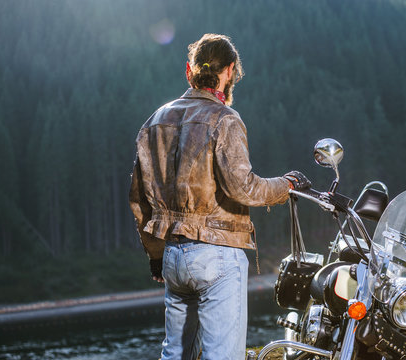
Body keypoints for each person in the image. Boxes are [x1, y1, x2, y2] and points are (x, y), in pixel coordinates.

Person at [129, 33, 310, 360]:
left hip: (172, 255)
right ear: (229, 71)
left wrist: (157, 255)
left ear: (190, 70)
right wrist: (287, 185)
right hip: (218, 255)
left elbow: (141, 201)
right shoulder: (225, 119)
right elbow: (245, 188)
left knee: (175, 355)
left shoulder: (154, 122)